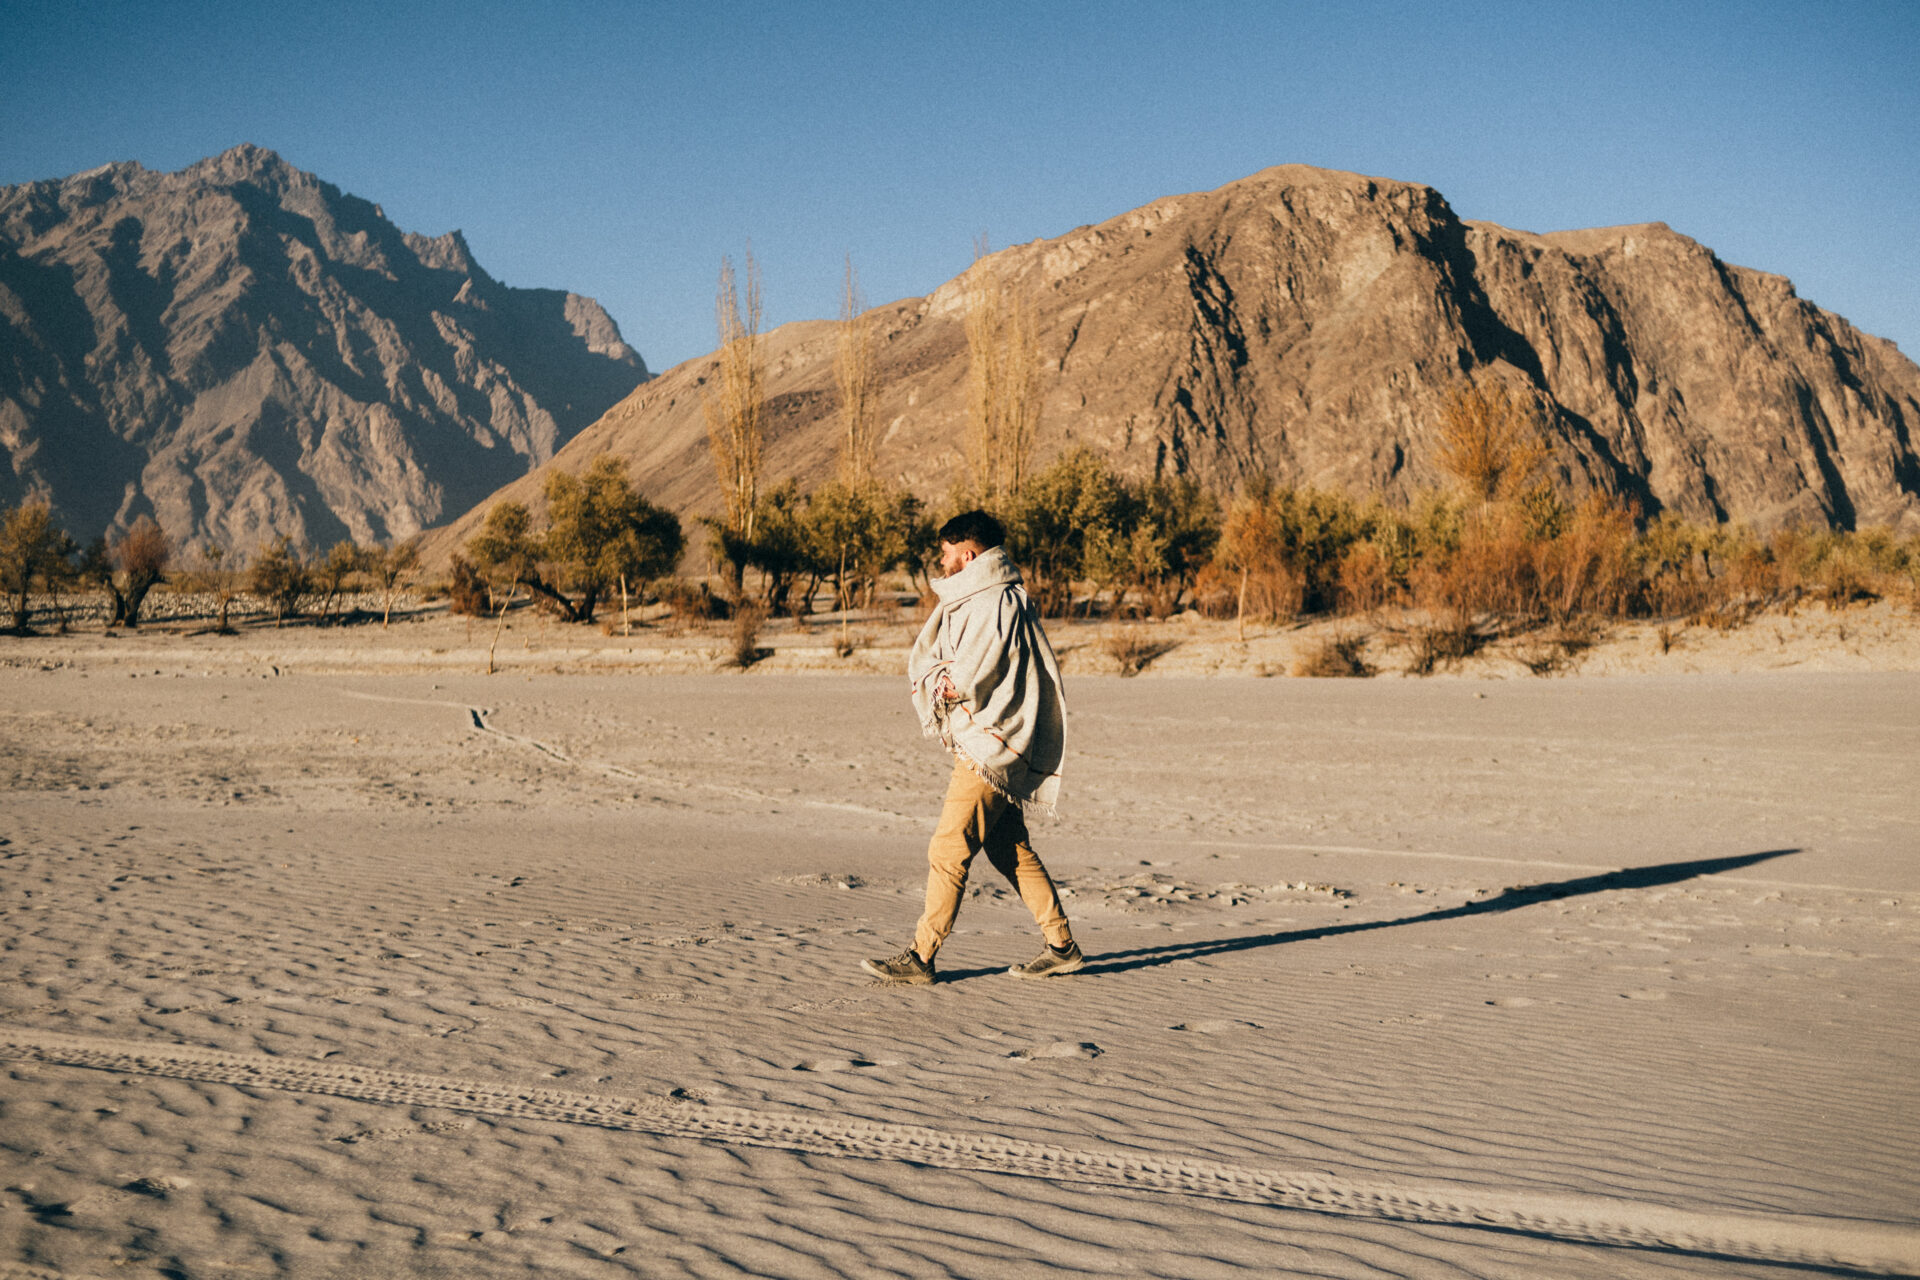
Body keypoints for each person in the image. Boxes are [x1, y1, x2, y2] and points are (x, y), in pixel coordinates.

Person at [861, 510, 1084, 985]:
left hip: (989, 745)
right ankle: (1061, 946)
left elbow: (971, 673)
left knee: (947, 848)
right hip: (995, 740)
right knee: (1011, 850)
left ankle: (921, 957)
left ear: (968, 553)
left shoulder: (993, 600)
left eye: (946, 554)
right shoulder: (993, 595)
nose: (941, 563)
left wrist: (941, 683)